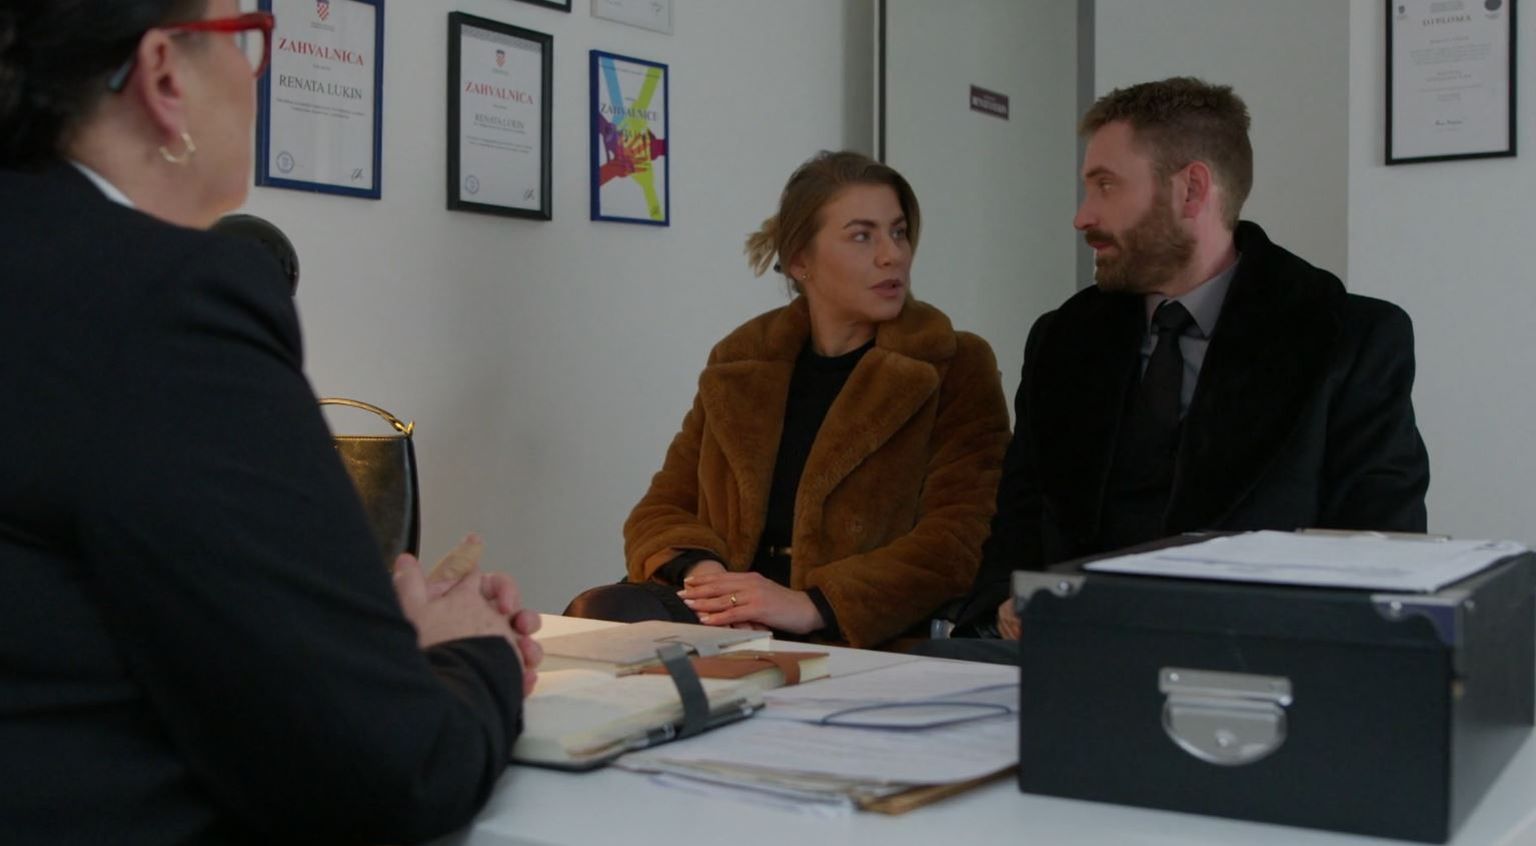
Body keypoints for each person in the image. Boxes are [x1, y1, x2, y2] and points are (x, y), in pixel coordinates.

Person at [0, 2, 540, 844]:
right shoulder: (168, 300)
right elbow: (394, 770)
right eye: (247, 39)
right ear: (164, 74)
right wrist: (472, 650)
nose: (260, 74)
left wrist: (342, 638)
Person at [938, 77, 1430, 654]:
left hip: (1262, 672)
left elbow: (1378, 560)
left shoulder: (1351, 339)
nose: (1082, 216)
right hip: (1068, 669)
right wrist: (1003, 605)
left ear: (1191, 189)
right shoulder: (1062, 340)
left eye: (1106, 186)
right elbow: (1017, 527)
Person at [566, 150, 1011, 649]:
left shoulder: (953, 364)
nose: (893, 255)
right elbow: (661, 507)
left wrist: (812, 605)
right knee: (596, 616)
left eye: (899, 232)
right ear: (801, 261)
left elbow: (958, 539)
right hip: (731, 624)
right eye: (862, 236)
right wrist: (710, 580)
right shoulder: (741, 361)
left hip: (852, 635)